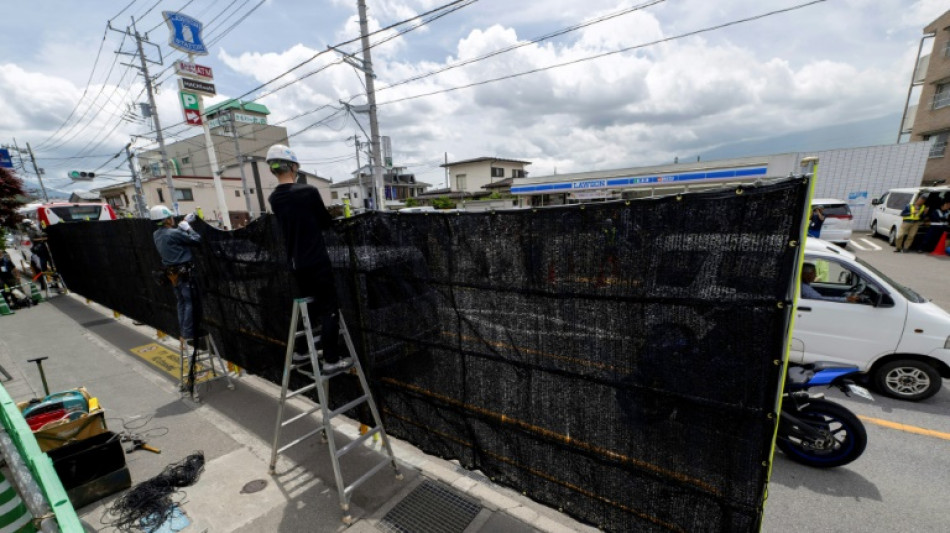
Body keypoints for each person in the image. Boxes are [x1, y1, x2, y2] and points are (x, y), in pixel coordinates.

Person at [266, 144, 351, 374]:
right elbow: (324, 222)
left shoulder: (274, 198)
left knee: (309, 308)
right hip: (316, 260)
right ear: (293, 167)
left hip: (296, 263)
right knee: (329, 309)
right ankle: (331, 360)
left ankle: (301, 351)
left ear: (273, 169)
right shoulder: (308, 192)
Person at [151, 205, 203, 343]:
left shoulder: (156, 234)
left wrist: (184, 222)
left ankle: (183, 331)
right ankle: (187, 333)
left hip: (173, 275)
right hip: (185, 274)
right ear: (166, 220)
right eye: (170, 217)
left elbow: (174, 237)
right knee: (190, 302)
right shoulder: (173, 233)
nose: (172, 218)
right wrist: (188, 228)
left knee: (181, 302)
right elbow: (197, 240)